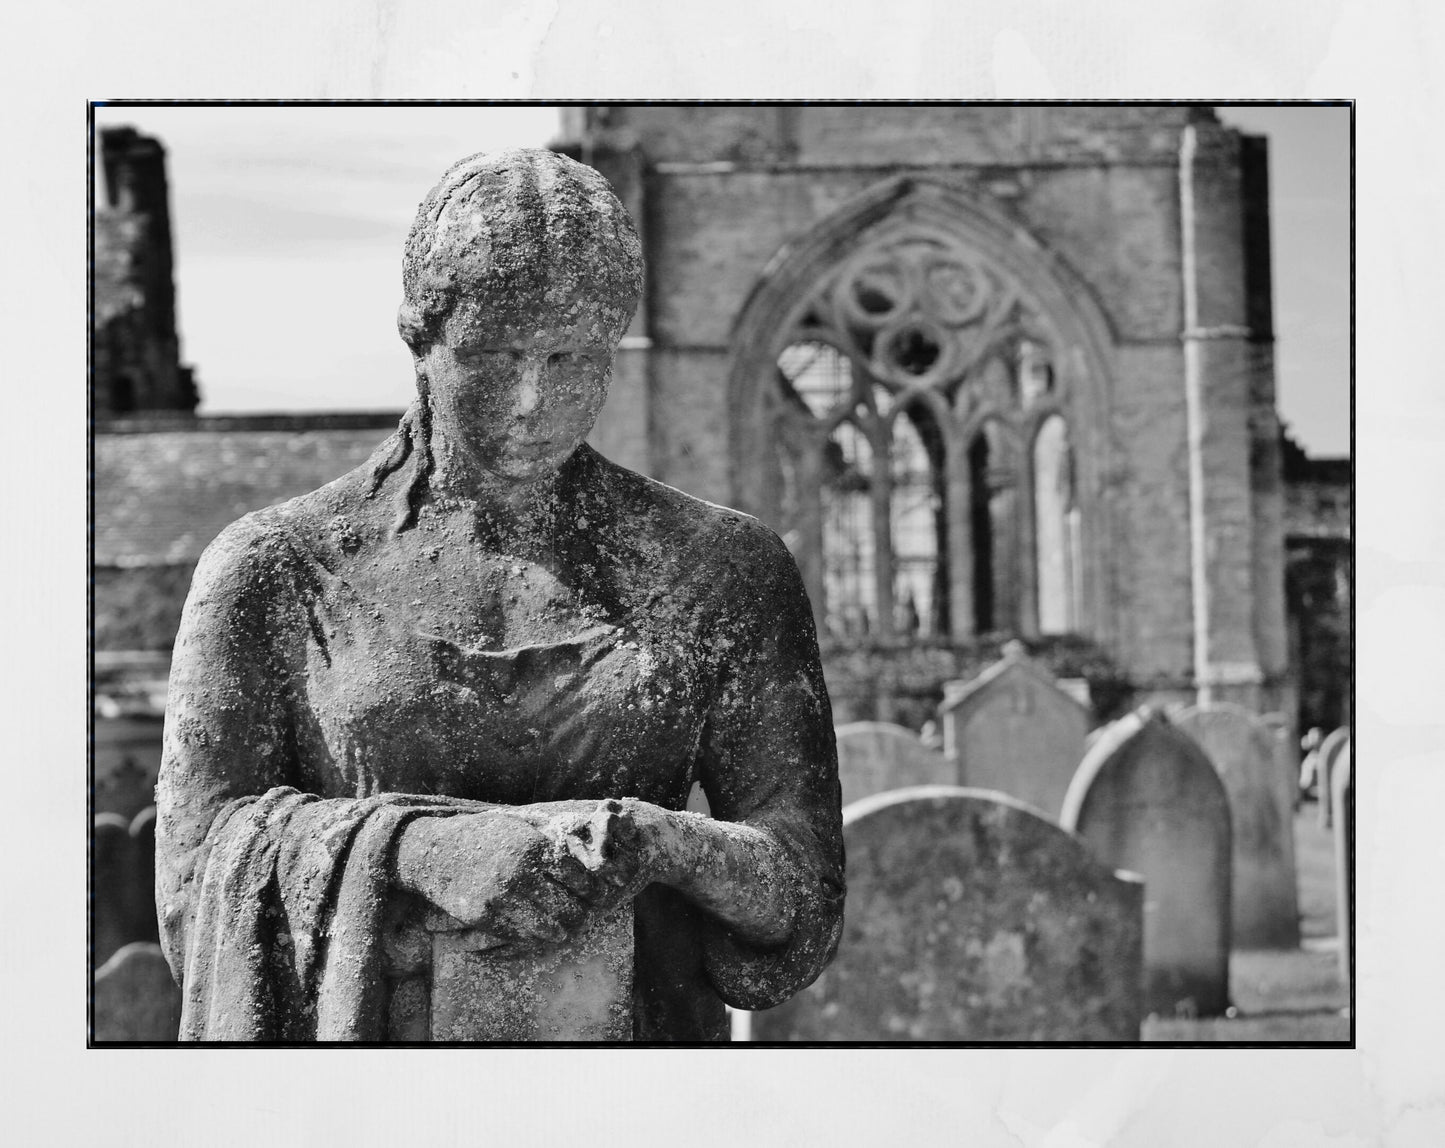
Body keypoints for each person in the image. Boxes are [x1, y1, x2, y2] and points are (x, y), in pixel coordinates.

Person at [155, 148, 845, 1042]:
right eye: (490, 353)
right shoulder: (273, 570)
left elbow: (802, 892)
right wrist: (421, 851)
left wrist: (656, 842)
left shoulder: (722, 570)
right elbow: (193, 887)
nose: (531, 398)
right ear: (420, 337)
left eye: (571, 356)